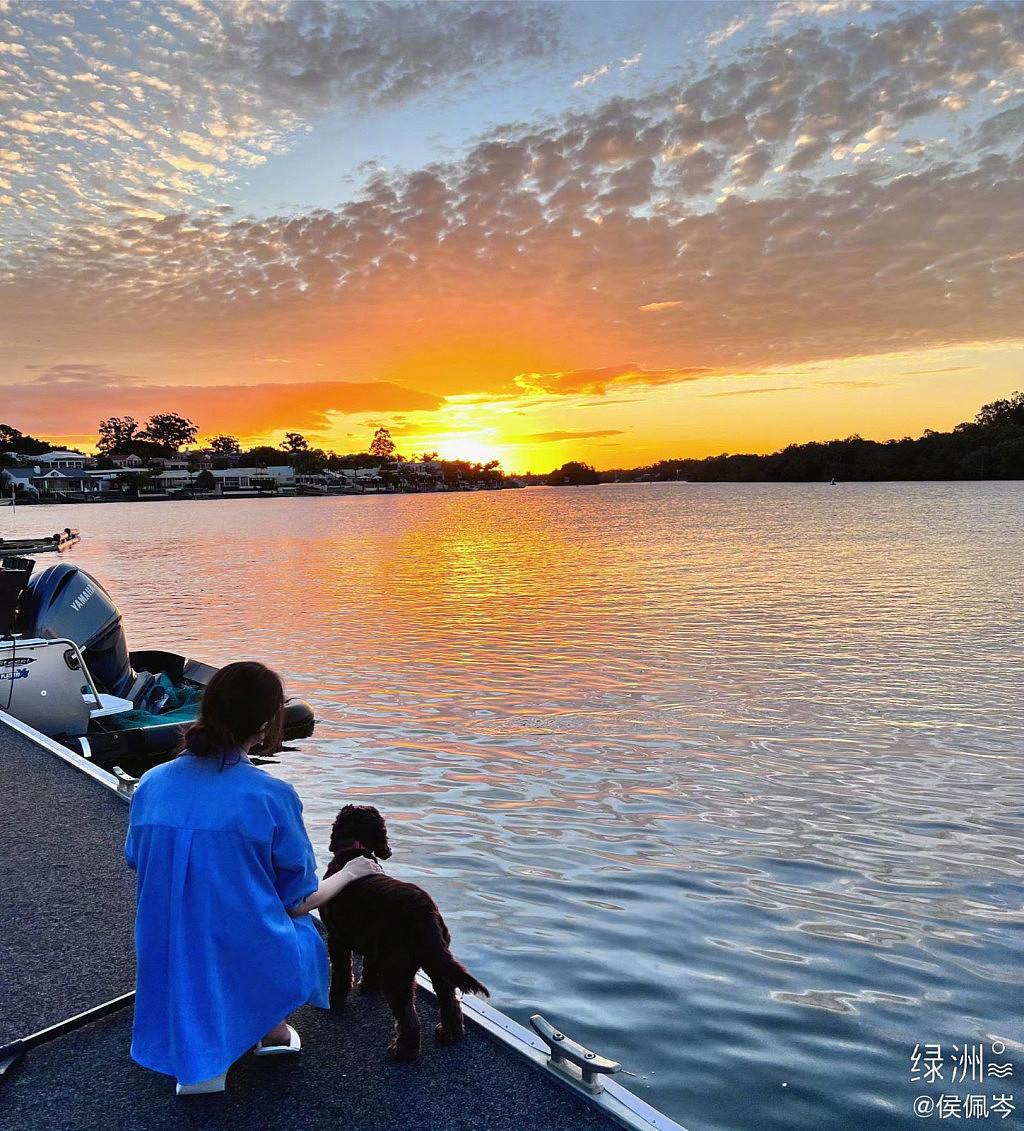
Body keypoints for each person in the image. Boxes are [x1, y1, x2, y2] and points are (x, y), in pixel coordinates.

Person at [124, 660, 379, 1095]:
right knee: (295, 928)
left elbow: (136, 859)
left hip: (168, 941)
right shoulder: (271, 795)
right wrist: (352, 872)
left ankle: (207, 1046)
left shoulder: (151, 783)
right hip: (238, 945)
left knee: (206, 922)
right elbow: (297, 898)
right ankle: (271, 1029)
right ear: (263, 727)